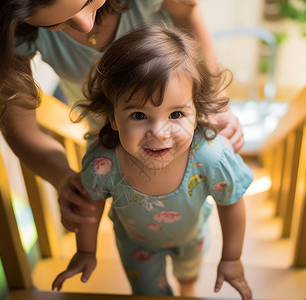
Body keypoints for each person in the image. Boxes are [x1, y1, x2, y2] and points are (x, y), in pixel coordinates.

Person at [0, 0, 244, 233]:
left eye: (86, 2)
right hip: (111, 146)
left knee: (190, 224)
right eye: (57, 24)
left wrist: (214, 103)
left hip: (181, 152)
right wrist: (62, 177)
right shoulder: (15, 33)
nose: (85, 24)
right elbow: (20, 127)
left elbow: (187, 13)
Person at [51, 25, 253, 299]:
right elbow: (91, 202)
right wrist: (86, 250)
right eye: (139, 116)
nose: (159, 132)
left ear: (197, 110)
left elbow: (230, 201)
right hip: (135, 247)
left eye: (177, 114)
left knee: (188, 274)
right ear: (112, 117)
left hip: (191, 238)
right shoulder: (104, 163)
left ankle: (187, 288)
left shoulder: (210, 156)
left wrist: (231, 258)